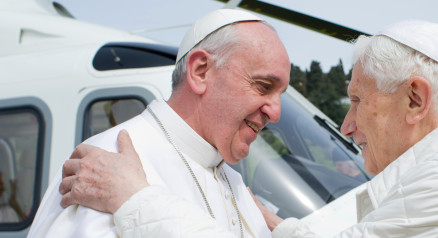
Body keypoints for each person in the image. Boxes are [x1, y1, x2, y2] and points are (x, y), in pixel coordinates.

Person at [59, 19, 438, 237]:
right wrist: (278, 226)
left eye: (356, 101)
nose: (346, 125)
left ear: (415, 99)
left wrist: (134, 200)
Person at [27, 8, 290, 238]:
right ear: (200, 71)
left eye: (280, 95)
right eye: (263, 86)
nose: (275, 114)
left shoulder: (236, 186)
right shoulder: (102, 166)